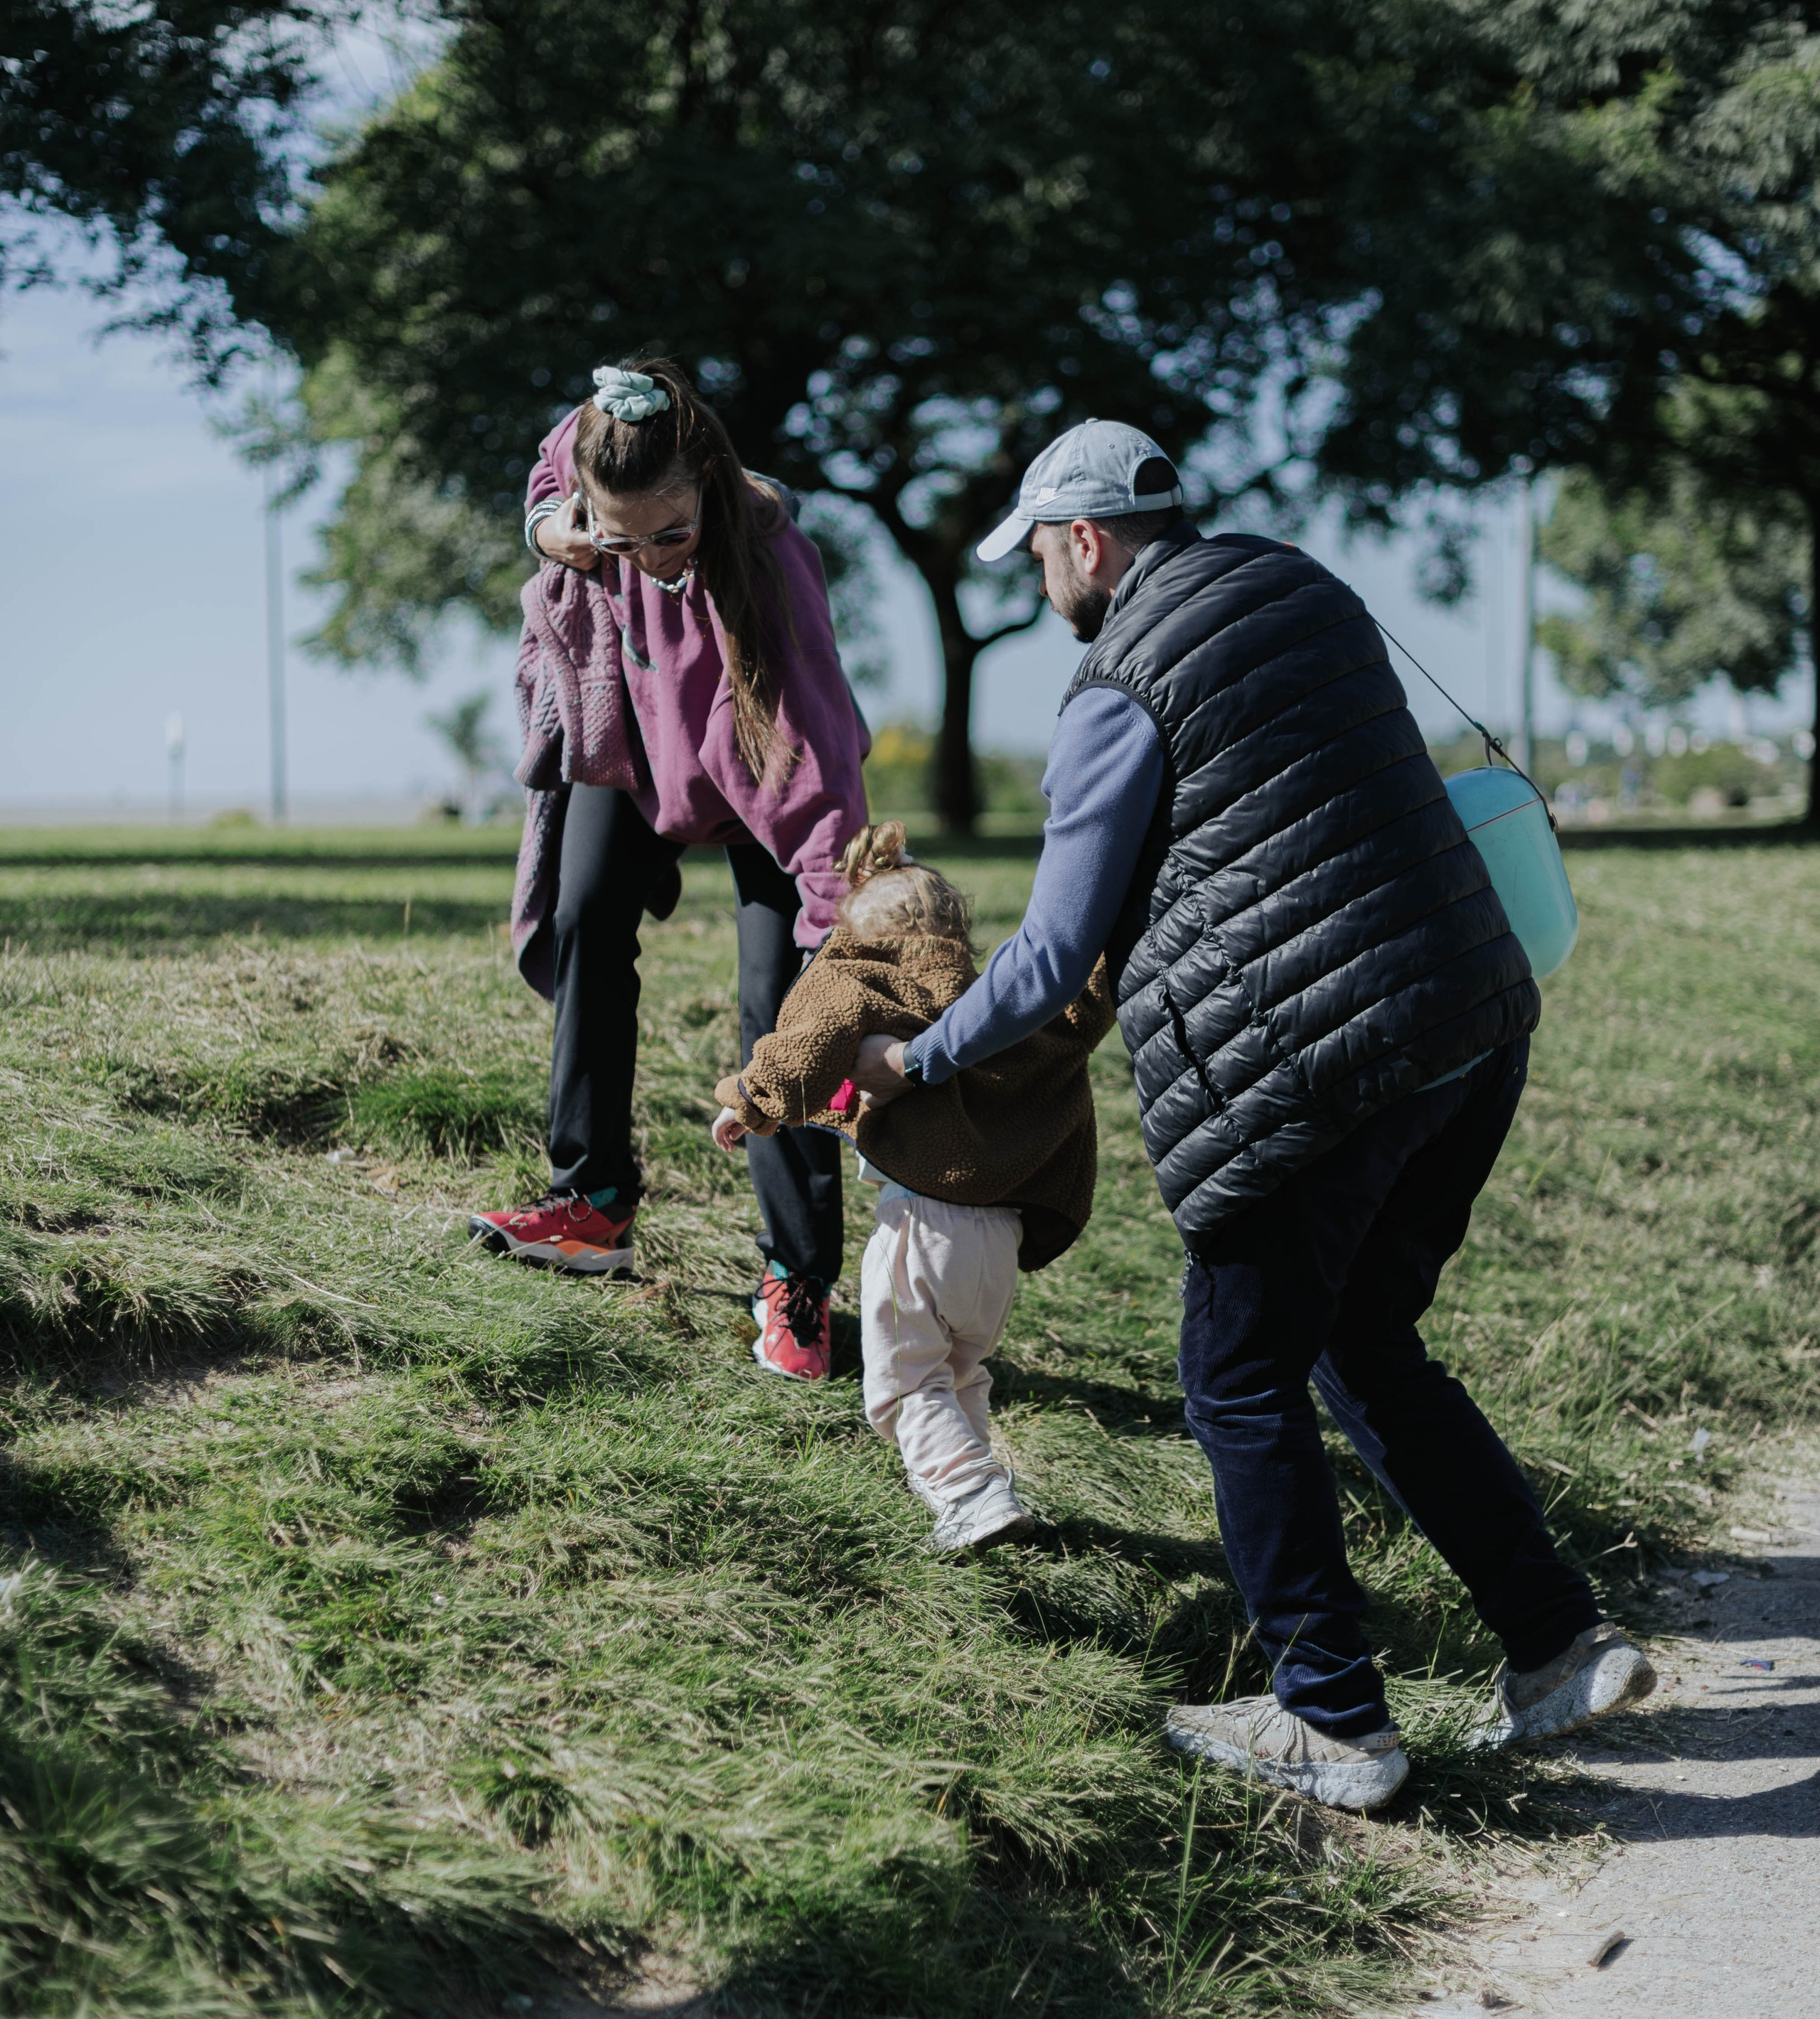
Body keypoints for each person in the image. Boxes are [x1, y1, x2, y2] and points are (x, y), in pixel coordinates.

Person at [852, 419, 1654, 1812]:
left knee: (1234, 1373)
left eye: (1039, 554)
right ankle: (1555, 1646)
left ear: (1086, 543)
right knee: (1363, 1339)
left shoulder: (1113, 690)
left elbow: (1047, 957)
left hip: (1311, 1070)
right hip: (1468, 1018)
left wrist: (915, 1061)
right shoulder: (1305, 592)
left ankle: (1329, 1716)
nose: (1041, 584)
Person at [472, 360, 869, 1381]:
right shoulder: (594, 476)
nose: (645, 558)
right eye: (621, 537)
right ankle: (592, 1203)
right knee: (585, 914)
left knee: (780, 1006)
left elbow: (819, 776)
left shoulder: (769, 574)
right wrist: (556, 533)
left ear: (710, 486)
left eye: (670, 533)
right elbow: (551, 476)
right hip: (640, 751)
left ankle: (799, 1277)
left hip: (764, 773)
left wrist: (838, 949)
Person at [710, 821, 1113, 1545]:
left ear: (858, 931)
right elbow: (1083, 1002)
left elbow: (803, 1043)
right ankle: (982, 1491)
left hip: (922, 1227)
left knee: (903, 1386)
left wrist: (749, 1100)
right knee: (960, 1372)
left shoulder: (858, 977)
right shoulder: (1004, 1004)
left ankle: (970, 1495)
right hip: (1000, 1238)